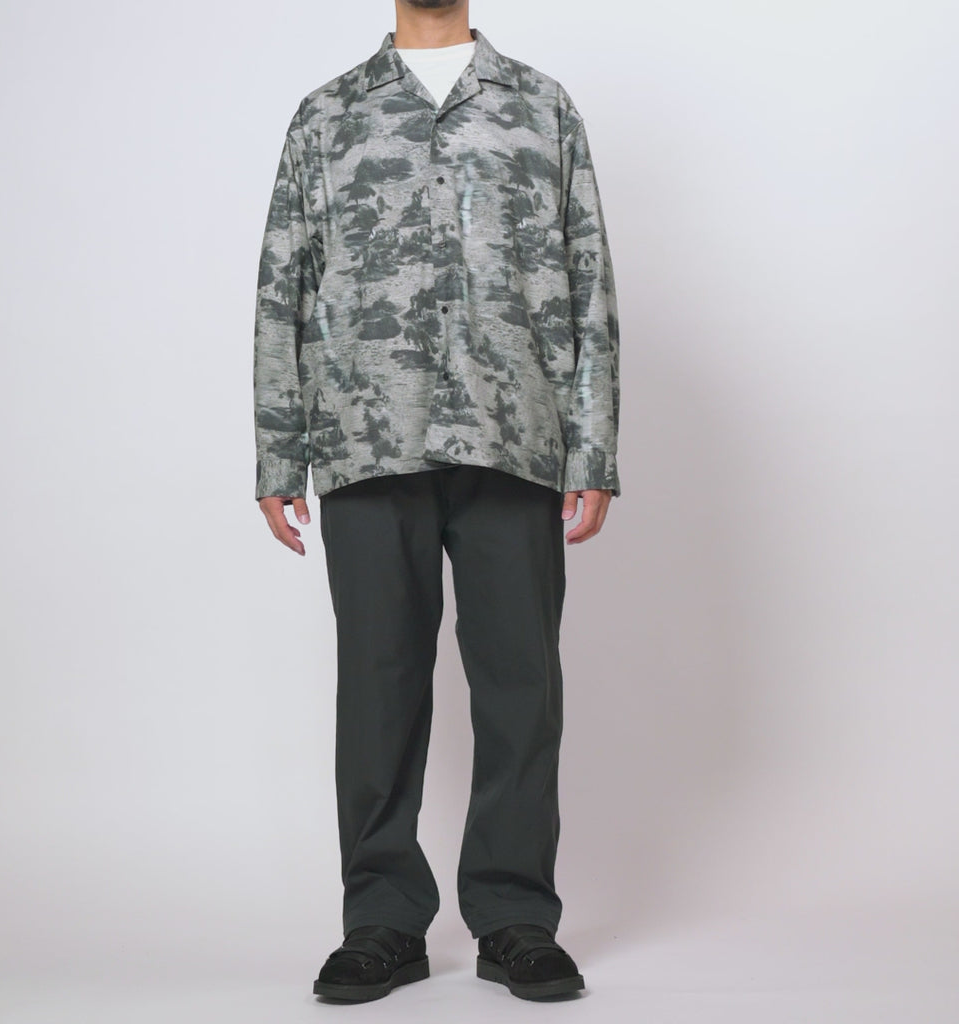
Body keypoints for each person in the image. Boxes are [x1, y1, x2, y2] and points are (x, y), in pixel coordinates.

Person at [253, 0, 620, 1003]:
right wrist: (279, 454)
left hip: (515, 432)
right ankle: (381, 920)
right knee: (377, 688)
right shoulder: (327, 114)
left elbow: (588, 278)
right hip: (366, 437)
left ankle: (513, 917)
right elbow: (284, 285)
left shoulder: (542, 106)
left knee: (520, 688)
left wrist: (592, 447)